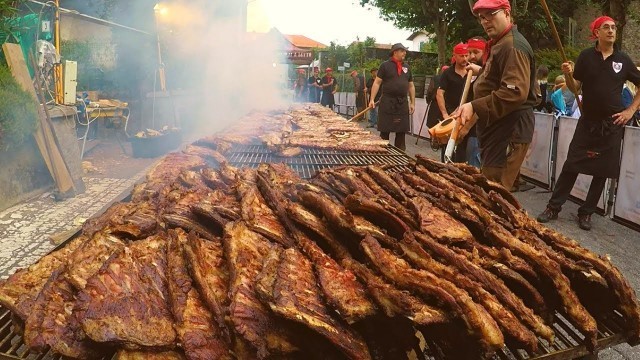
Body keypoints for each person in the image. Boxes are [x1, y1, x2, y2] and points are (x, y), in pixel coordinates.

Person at [537, 16, 640, 231]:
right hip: (587, 122)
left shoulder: (624, 60)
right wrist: (567, 75)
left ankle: (587, 213)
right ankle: (553, 207)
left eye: (613, 27)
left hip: (611, 125)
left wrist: (630, 111)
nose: (611, 31)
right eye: (606, 27)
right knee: (571, 164)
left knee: (602, 170)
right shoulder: (585, 57)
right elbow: (574, 87)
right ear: (596, 33)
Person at [453, 0, 536, 191]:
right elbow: (501, 80)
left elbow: (514, 92)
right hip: (497, 128)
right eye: (482, 17)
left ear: (507, 13)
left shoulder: (512, 46)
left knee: (495, 192)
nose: (485, 21)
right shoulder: (500, 44)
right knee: (489, 186)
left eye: (491, 14)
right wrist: (482, 72)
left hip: (509, 129)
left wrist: (474, 106)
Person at [369, 43, 416, 151]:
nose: (405, 53)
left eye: (405, 51)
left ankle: (400, 156)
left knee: (401, 132)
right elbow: (377, 83)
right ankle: (381, 155)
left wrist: (413, 102)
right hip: (387, 102)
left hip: (402, 103)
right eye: (402, 51)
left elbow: (411, 85)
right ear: (395, 52)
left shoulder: (407, 67)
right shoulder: (385, 66)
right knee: (384, 132)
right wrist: (372, 99)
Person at [436, 43, 473, 163]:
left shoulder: (473, 72)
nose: (465, 59)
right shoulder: (447, 73)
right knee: (447, 149)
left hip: (467, 117)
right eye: (461, 56)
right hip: (451, 115)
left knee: (463, 150)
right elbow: (439, 93)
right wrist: (445, 114)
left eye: (467, 55)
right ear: (455, 56)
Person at [464, 37, 486, 168]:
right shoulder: (469, 72)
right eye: (469, 53)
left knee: (474, 169)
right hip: (469, 131)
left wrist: (466, 128)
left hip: (479, 131)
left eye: (476, 52)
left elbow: (482, 105)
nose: (471, 56)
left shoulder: (486, 74)